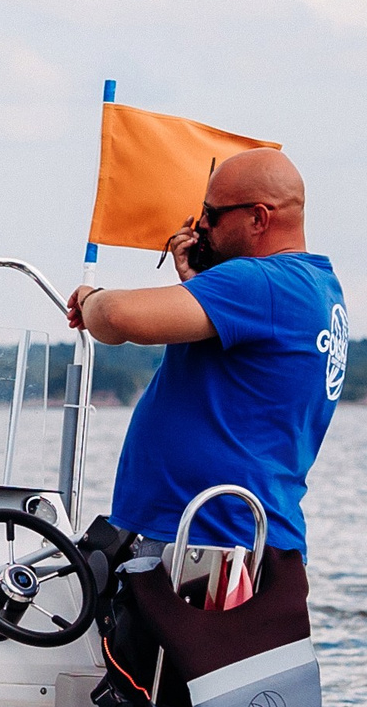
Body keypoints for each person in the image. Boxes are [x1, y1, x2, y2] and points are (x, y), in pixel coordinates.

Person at [65, 147, 348, 561]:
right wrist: (201, 286)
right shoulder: (318, 286)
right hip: (240, 538)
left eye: (212, 214)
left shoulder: (260, 282)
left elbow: (119, 318)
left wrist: (91, 299)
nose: (200, 227)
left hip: (207, 543)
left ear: (258, 218)